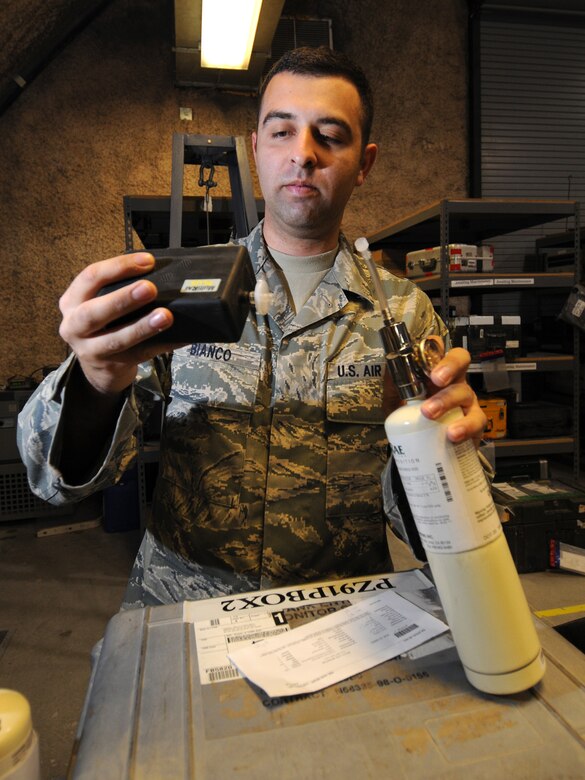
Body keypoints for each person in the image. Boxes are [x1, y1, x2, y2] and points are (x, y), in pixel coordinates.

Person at [17, 47, 486, 608]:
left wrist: (440, 445)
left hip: (342, 616)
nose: (303, 155)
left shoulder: (406, 317)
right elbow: (59, 482)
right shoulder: (181, 290)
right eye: (282, 132)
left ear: (365, 163)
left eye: (331, 136)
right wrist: (96, 381)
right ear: (257, 147)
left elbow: (449, 521)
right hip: (187, 611)